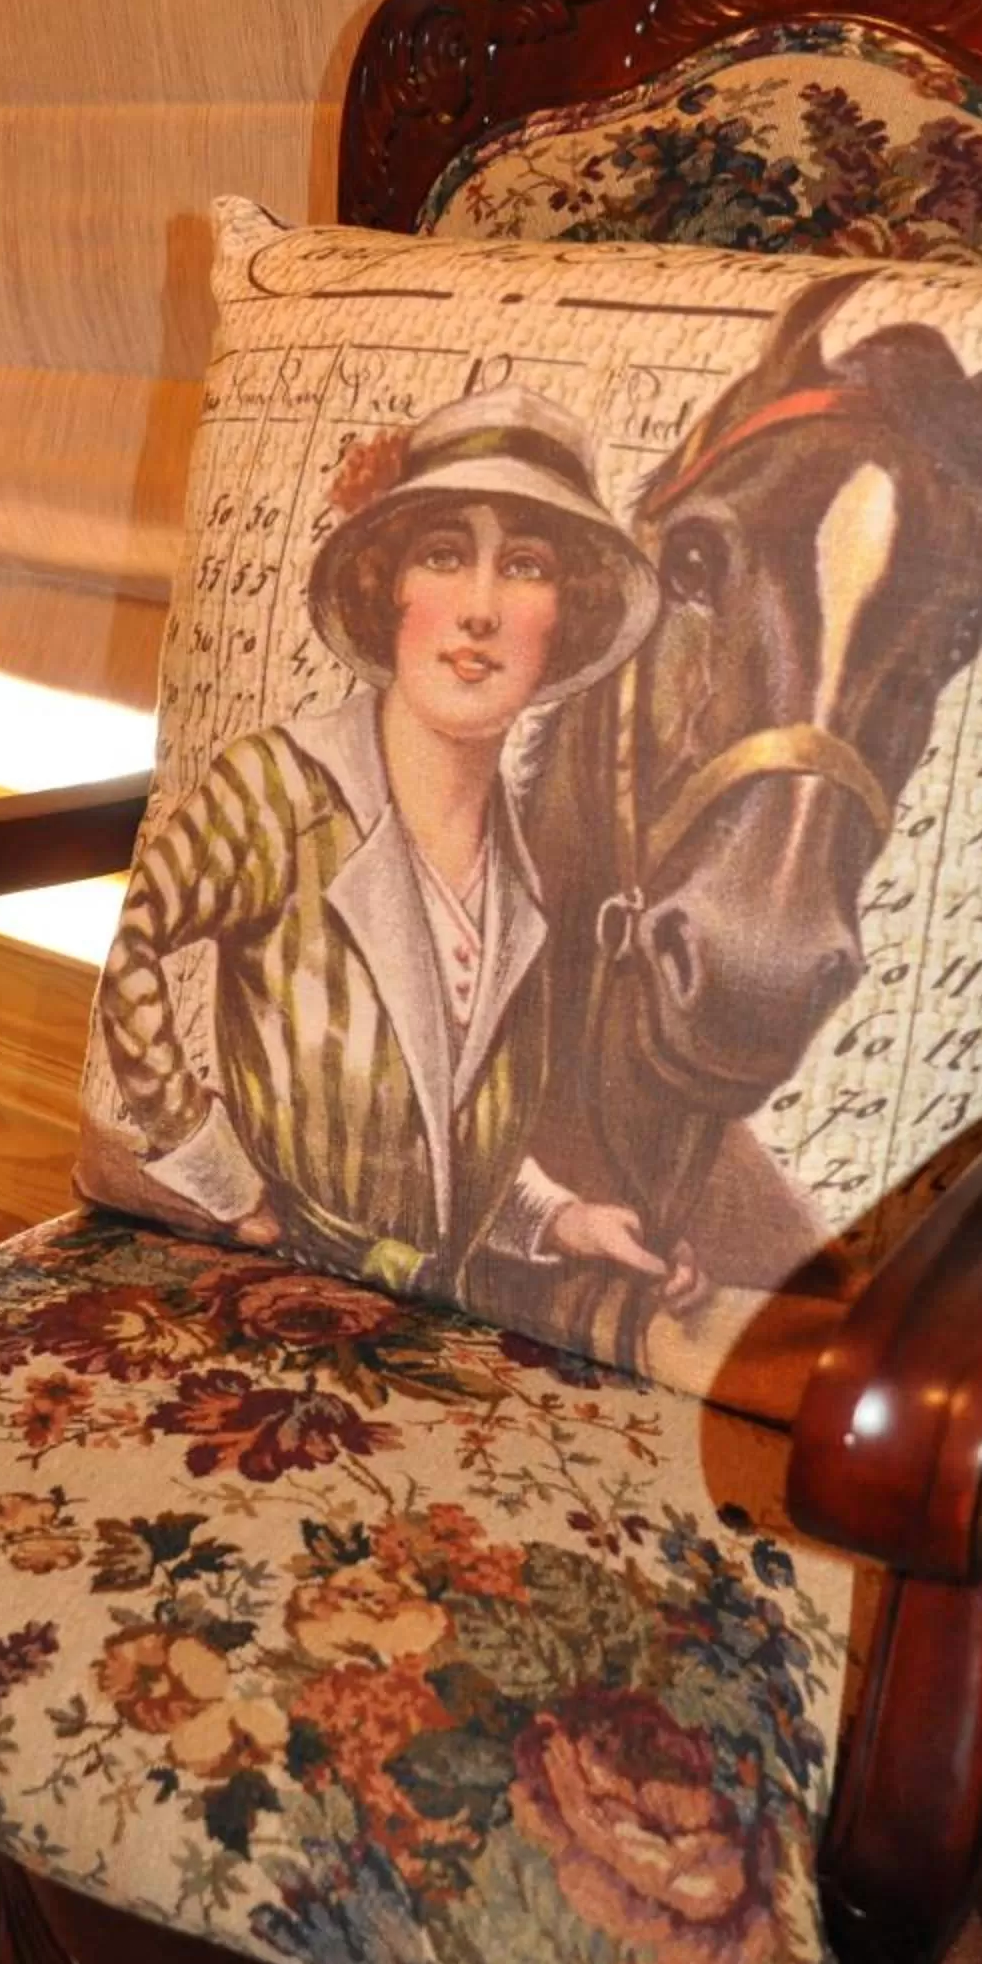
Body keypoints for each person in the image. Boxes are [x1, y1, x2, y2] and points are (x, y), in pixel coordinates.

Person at [96, 385, 697, 1310]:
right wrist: (218, 1173)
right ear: (391, 587)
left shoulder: (520, 880)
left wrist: (559, 1219)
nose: (481, 610)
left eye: (526, 566)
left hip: (423, 1309)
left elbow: (440, 1132)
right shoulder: (278, 791)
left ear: (566, 616)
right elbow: (133, 950)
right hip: (268, 1294)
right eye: (445, 555)